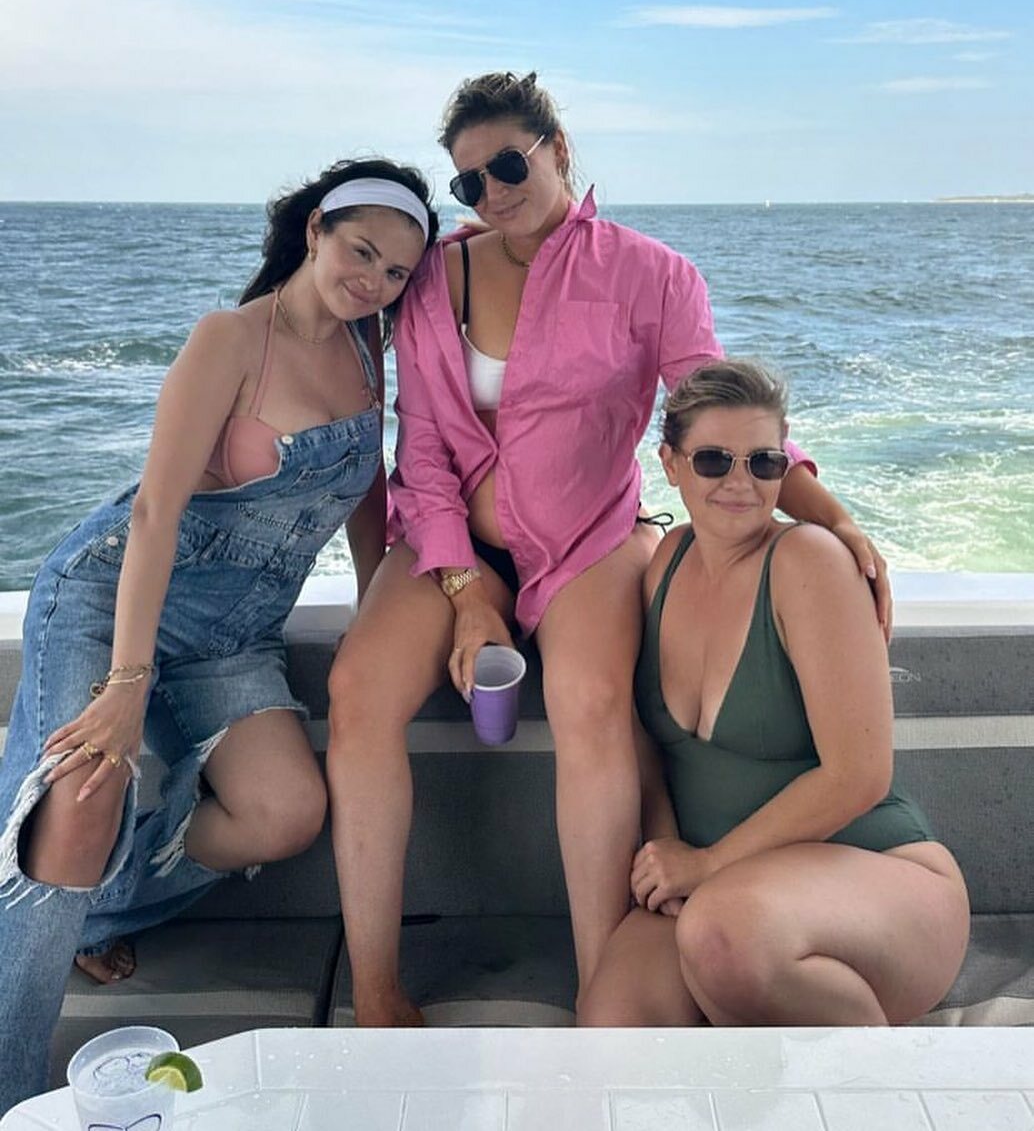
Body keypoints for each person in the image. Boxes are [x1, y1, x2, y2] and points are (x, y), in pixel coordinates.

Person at [326, 71, 891, 1027]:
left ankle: (604, 988)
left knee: (590, 702)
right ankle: (377, 990)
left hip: (588, 541)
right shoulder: (430, 279)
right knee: (354, 692)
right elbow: (418, 449)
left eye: (510, 165)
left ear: (558, 150)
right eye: (469, 181)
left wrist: (833, 519)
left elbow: (717, 418)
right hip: (452, 544)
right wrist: (466, 591)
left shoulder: (654, 275)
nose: (493, 192)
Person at [0, 158, 437, 1113]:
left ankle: (89, 908)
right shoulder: (230, 338)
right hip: (112, 596)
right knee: (76, 803)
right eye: (362, 251)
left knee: (286, 811)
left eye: (398, 271)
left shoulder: (369, 349)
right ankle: (11, 1094)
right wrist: (127, 682)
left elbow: (369, 492)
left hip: (235, 638)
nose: (374, 279)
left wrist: (377, 620)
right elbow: (154, 513)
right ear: (316, 230)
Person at [578, 359, 970, 1027]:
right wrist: (669, 861)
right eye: (713, 461)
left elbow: (859, 776)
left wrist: (708, 864)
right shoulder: (665, 562)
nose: (740, 482)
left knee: (723, 935)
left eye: (764, 463)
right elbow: (649, 751)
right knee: (611, 1027)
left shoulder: (809, 562)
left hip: (876, 879)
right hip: (716, 890)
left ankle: (877, 1077)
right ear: (670, 465)